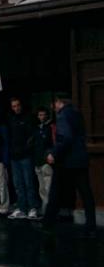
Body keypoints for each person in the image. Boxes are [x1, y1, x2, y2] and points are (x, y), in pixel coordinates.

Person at [44, 94, 97, 237]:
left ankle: (47, 223)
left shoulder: (62, 115)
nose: (53, 107)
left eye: (54, 104)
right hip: (80, 159)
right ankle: (91, 225)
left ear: (58, 102)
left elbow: (65, 137)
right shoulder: (76, 113)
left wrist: (53, 153)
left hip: (66, 161)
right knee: (86, 193)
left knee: (55, 192)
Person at [7, 97, 40, 219]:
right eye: (14, 106)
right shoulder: (11, 119)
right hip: (14, 156)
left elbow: (32, 137)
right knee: (18, 184)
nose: (16, 108)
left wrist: (27, 149)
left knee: (29, 182)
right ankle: (22, 208)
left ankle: (32, 207)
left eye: (18, 105)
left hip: (26, 156)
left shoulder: (29, 118)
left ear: (21, 105)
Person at [33, 106, 55, 214]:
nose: (42, 117)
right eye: (40, 115)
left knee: (48, 188)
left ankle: (48, 212)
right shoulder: (37, 128)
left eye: (43, 114)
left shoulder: (50, 128)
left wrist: (50, 156)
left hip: (46, 161)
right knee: (42, 189)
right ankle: (45, 210)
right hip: (38, 162)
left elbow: (52, 143)